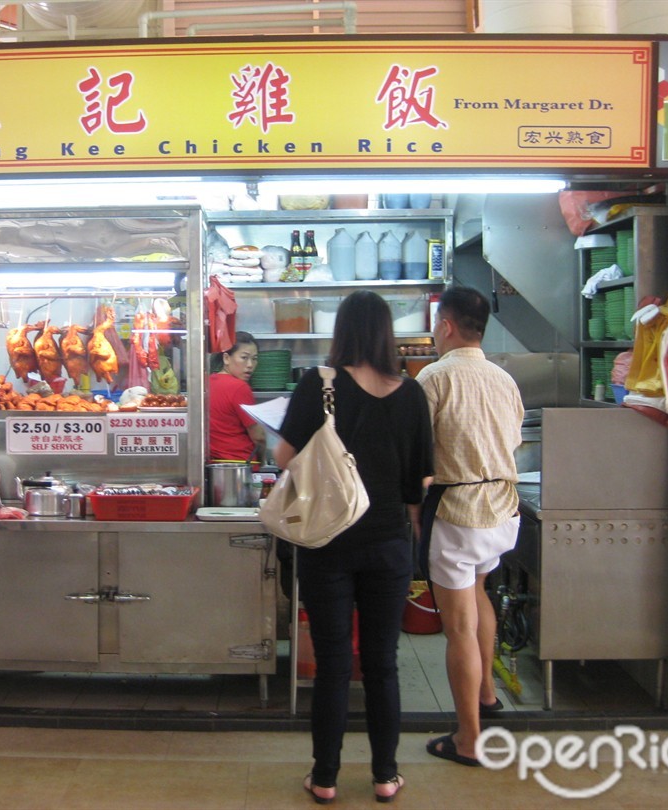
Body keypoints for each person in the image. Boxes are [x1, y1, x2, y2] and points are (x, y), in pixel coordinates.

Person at [273, 291, 433, 804]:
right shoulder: (411, 394)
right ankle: (385, 776)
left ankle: (324, 778)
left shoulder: (319, 384)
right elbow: (419, 483)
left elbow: (284, 455)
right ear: (388, 332)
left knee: (335, 663)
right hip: (389, 543)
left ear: (341, 331)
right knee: (383, 662)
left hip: (328, 542)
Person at [413, 286, 523, 768]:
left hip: (456, 511)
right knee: (479, 594)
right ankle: (488, 696)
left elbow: (418, 454)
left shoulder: (433, 377)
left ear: (447, 325)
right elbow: (514, 438)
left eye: (437, 324)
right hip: (502, 509)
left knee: (457, 626)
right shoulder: (505, 379)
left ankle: (469, 740)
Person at [207, 331, 266, 465]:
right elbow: (258, 436)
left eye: (254, 358)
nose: (250, 364)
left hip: (213, 463)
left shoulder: (207, 382)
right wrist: (262, 461)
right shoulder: (239, 388)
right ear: (226, 358)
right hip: (241, 464)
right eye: (244, 357)